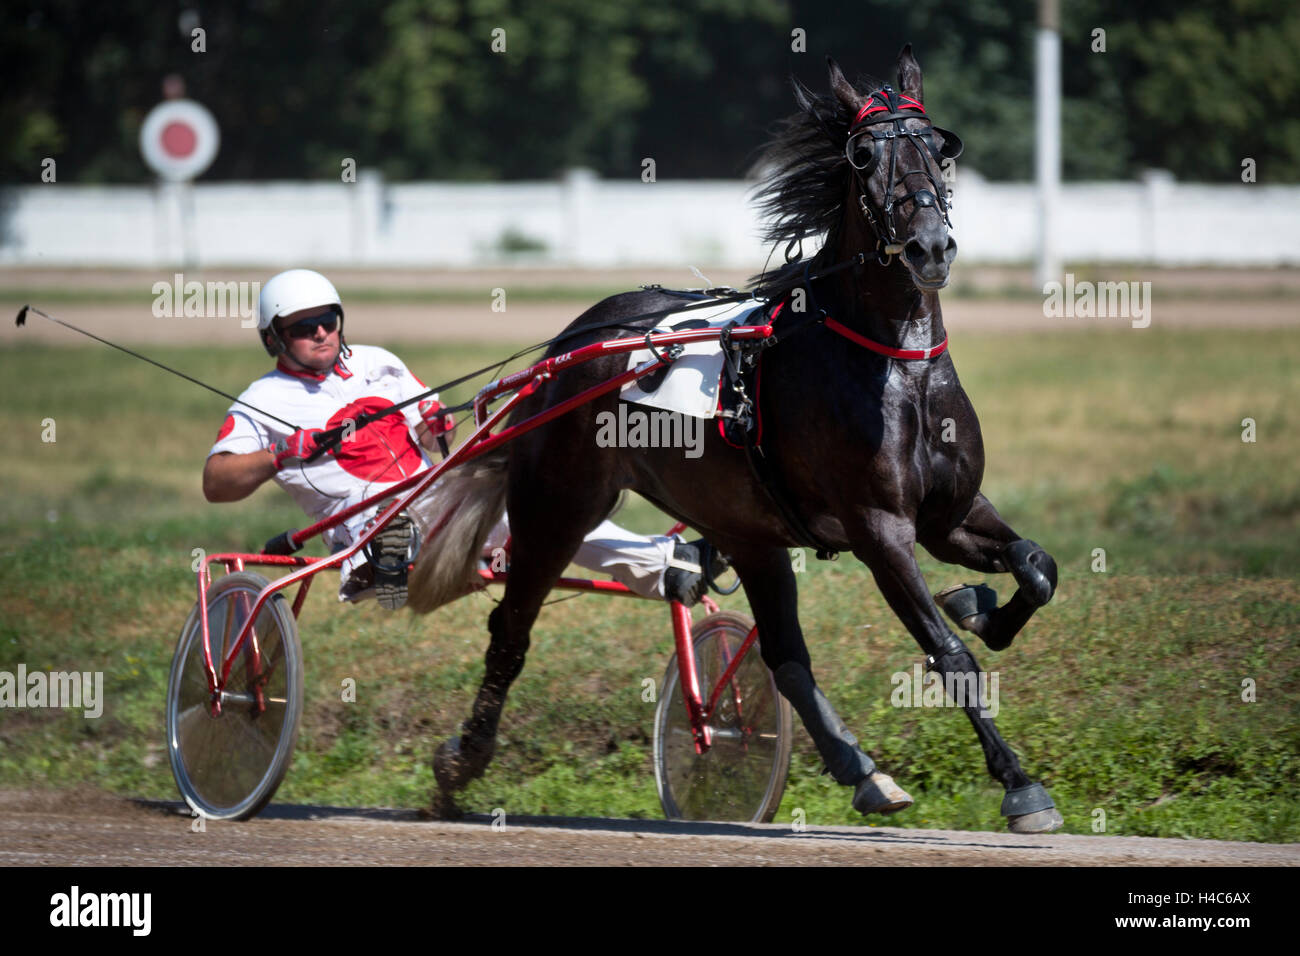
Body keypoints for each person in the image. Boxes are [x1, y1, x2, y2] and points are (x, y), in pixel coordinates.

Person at [202, 268, 726, 611]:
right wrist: (283, 452)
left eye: (327, 321)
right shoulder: (263, 400)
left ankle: (669, 568)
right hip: (363, 539)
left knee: (541, 507)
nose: (320, 333)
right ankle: (395, 568)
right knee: (374, 496)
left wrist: (436, 425)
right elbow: (215, 483)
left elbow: (435, 431)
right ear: (273, 338)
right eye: (301, 327)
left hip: (437, 506)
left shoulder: (378, 362)